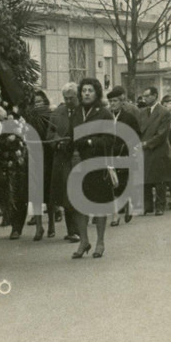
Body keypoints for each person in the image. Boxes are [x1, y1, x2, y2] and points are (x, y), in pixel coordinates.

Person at [68, 77, 115, 259]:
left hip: (97, 164)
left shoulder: (104, 113)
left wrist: (90, 141)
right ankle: (84, 241)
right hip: (78, 163)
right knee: (79, 204)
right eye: (84, 90)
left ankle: (100, 242)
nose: (86, 93)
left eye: (90, 90)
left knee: (99, 204)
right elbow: (70, 135)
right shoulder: (77, 112)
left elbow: (110, 139)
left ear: (96, 93)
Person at [49, 83, 80, 243]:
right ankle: (72, 230)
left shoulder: (84, 111)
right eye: (66, 98)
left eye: (71, 98)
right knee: (68, 195)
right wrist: (57, 142)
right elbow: (50, 133)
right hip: (63, 158)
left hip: (80, 156)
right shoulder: (57, 113)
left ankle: (80, 228)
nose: (68, 101)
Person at [24, 89, 56, 240]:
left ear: (45, 102)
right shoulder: (29, 118)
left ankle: (51, 225)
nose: (38, 105)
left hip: (49, 156)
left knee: (50, 191)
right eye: (35, 102)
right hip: (34, 156)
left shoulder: (51, 116)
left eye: (40, 102)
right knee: (35, 191)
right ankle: (39, 226)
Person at [137, 86, 171, 215]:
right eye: (144, 96)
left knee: (159, 180)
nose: (145, 99)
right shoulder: (141, 112)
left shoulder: (164, 112)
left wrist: (147, 143)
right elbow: (138, 129)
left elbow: (162, 134)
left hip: (159, 149)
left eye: (147, 96)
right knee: (145, 178)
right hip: (144, 148)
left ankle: (159, 206)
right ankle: (147, 206)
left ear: (155, 96)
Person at [107, 86, 140, 227]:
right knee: (112, 184)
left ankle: (128, 204)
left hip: (124, 154)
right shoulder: (106, 117)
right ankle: (115, 215)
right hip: (110, 154)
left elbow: (136, 135)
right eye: (110, 101)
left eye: (115, 101)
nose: (112, 104)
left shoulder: (129, 118)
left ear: (121, 102)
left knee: (124, 182)